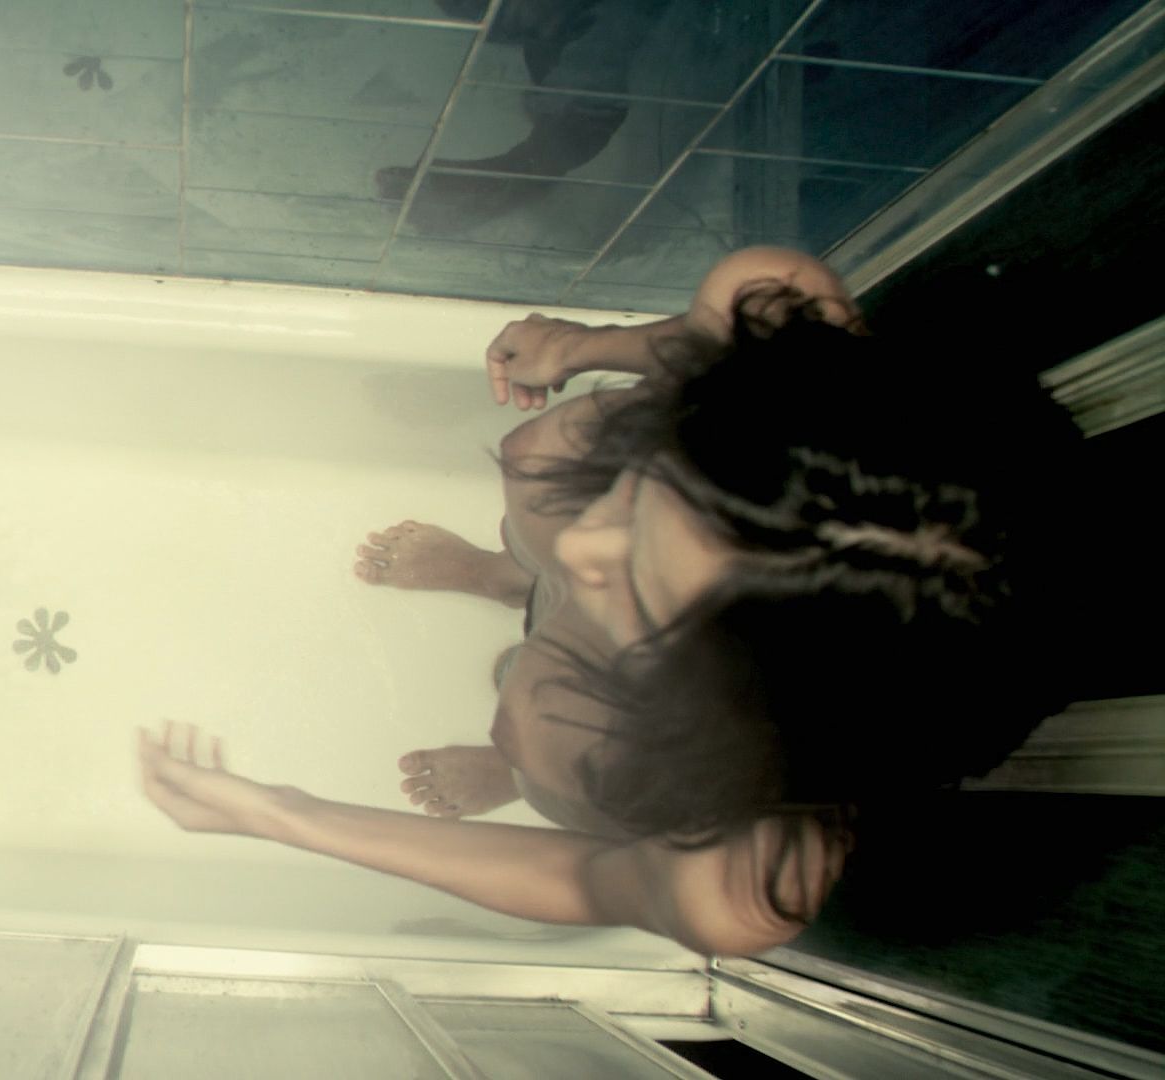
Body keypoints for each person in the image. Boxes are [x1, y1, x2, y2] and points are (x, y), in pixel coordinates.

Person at [137, 247, 1080, 956]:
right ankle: (504, 577)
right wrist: (579, 347)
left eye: (643, 592)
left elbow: (589, 878)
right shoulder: (792, 345)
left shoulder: (741, 881)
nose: (586, 542)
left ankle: (522, 747)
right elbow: (739, 305)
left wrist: (285, 815)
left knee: (547, 743)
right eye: (651, 493)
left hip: (658, 734)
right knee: (541, 464)